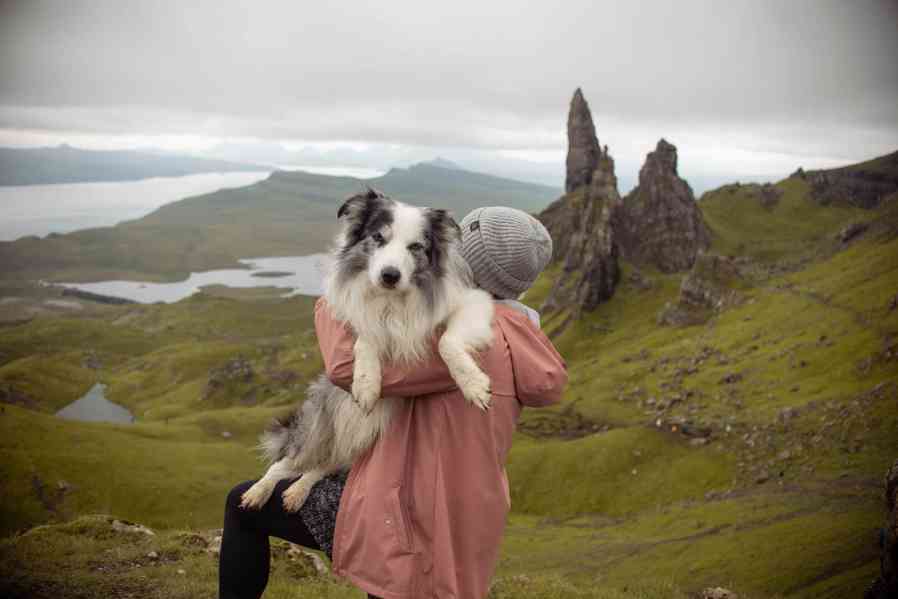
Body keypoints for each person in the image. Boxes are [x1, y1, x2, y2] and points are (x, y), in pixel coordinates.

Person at [220, 206, 567, 599]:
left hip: (407, 515)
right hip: (464, 515)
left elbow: (344, 366)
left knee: (242, 507)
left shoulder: (458, 339)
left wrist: (339, 288)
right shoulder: (520, 330)